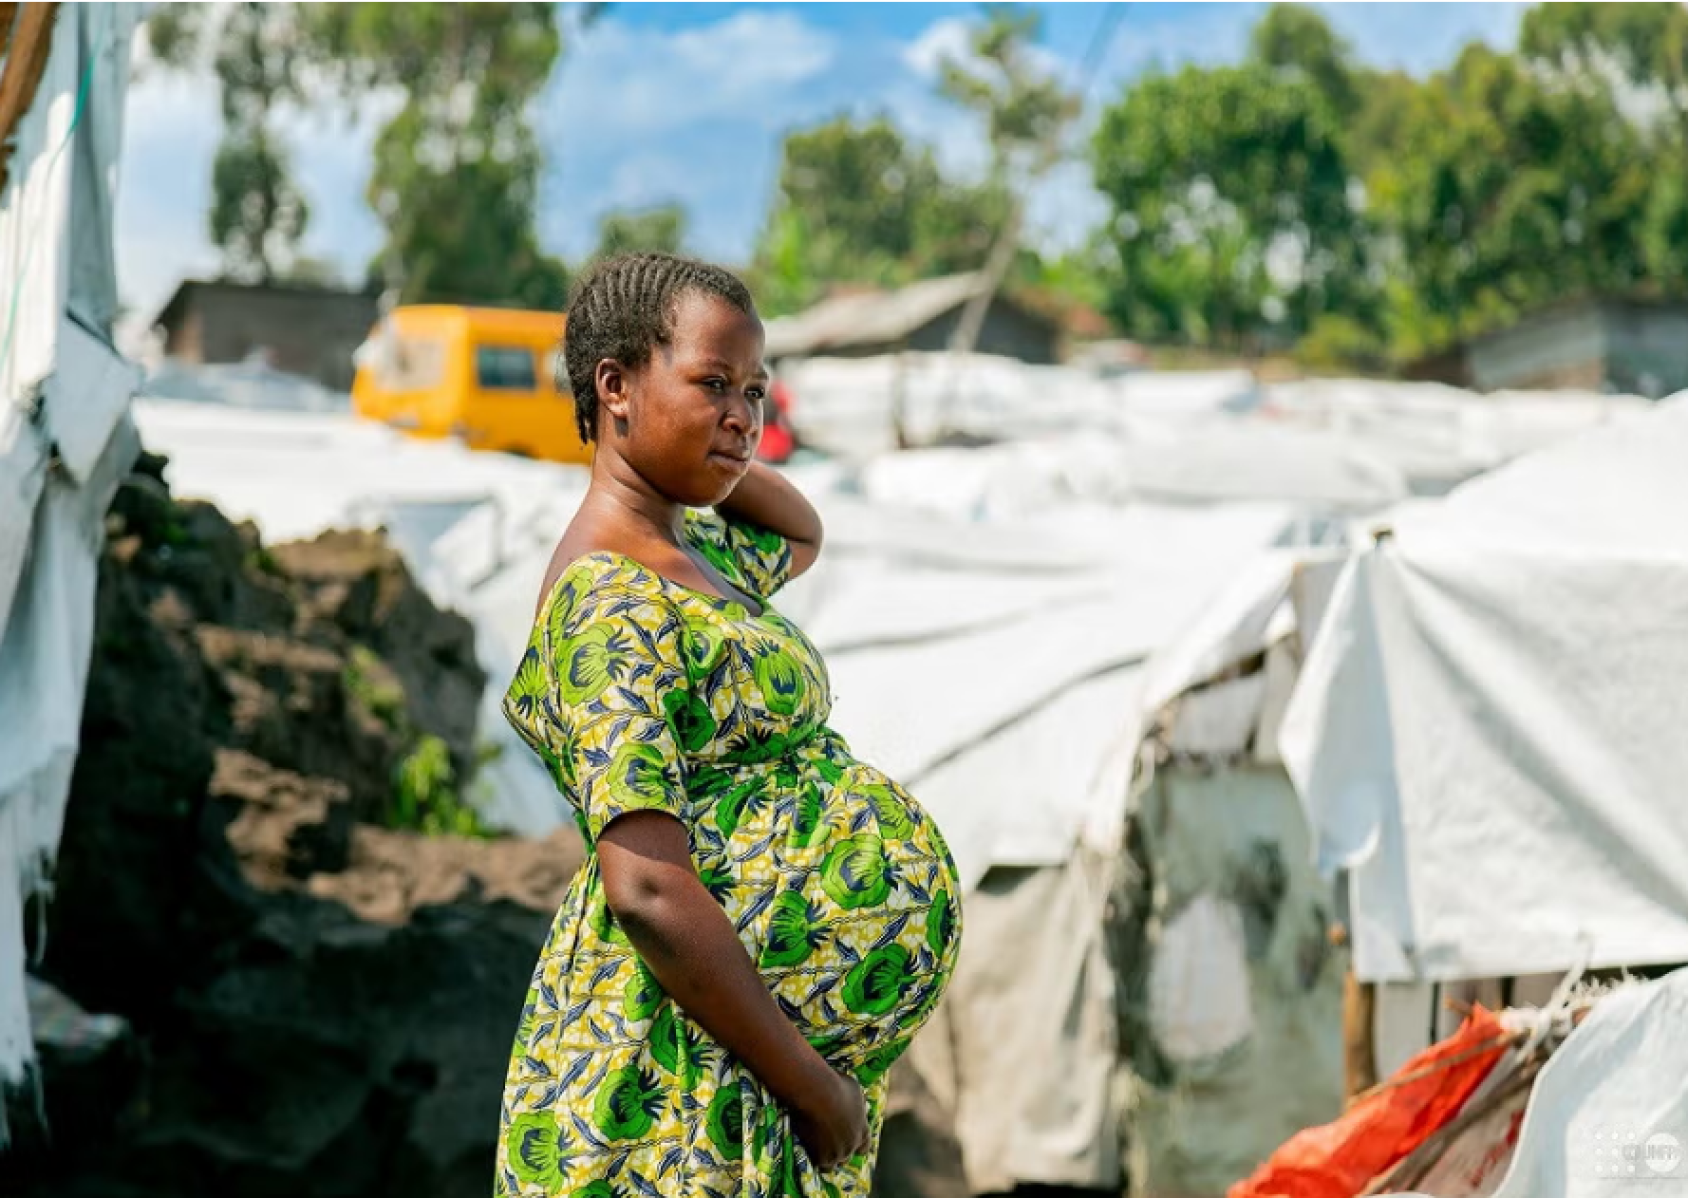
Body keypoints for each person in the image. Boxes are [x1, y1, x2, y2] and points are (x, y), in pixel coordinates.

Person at [496, 253, 961, 1198]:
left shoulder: (692, 549)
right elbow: (647, 891)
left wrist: (711, 443)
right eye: (713, 383)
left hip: (743, 1076)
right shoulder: (603, 601)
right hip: (674, 1077)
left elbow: (803, 532)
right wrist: (814, 1089)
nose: (745, 415)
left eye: (757, 391)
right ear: (615, 386)